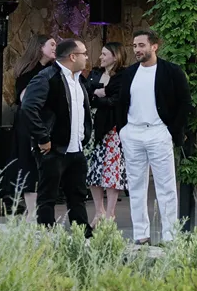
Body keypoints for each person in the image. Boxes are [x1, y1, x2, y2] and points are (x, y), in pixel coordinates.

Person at [118, 30, 192, 243]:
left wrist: (171, 131)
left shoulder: (171, 71)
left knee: (166, 186)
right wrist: (123, 129)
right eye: (134, 46)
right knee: (136, 186)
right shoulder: (129, 73)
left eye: (141, 45)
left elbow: (185, 103)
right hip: (132, 133)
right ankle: (141, 235)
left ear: (154, 46)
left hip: (159, 132)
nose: (137, 50)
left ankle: (170, 237)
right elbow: (121, 102)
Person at [20, 38, 93, 232]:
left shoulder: (78, 80)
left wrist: (84, 136)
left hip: (76, 148)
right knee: (48, 196)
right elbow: (28, 107)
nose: (87, 57)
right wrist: (43, 138)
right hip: (53, 148)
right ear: (72, 56)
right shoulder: (47, 77)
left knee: (77, 195)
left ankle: (82, 234)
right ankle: (46, 235)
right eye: (84, 53)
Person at [12, 34, 58, 215]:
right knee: (28, 164)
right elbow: (25, 101)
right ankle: (32, 213)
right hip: (29, 124)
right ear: (40, 47)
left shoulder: (52, 70)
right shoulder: (29, 73)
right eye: (52, 44)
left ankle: (40, 211)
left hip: (47, 123)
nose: (55, 47)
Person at [85, 42, 127, 229]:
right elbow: (87, 94)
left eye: (104, 54)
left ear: (115, 56)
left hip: (112, 129)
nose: (100, 57)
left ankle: (110, 213)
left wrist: (100, 98)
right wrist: (99, 96)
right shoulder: (94, 73)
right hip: (92, 128)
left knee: (111, 172)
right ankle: (99, 210)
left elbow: (118, 101)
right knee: (93, 171)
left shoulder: (123, 76)